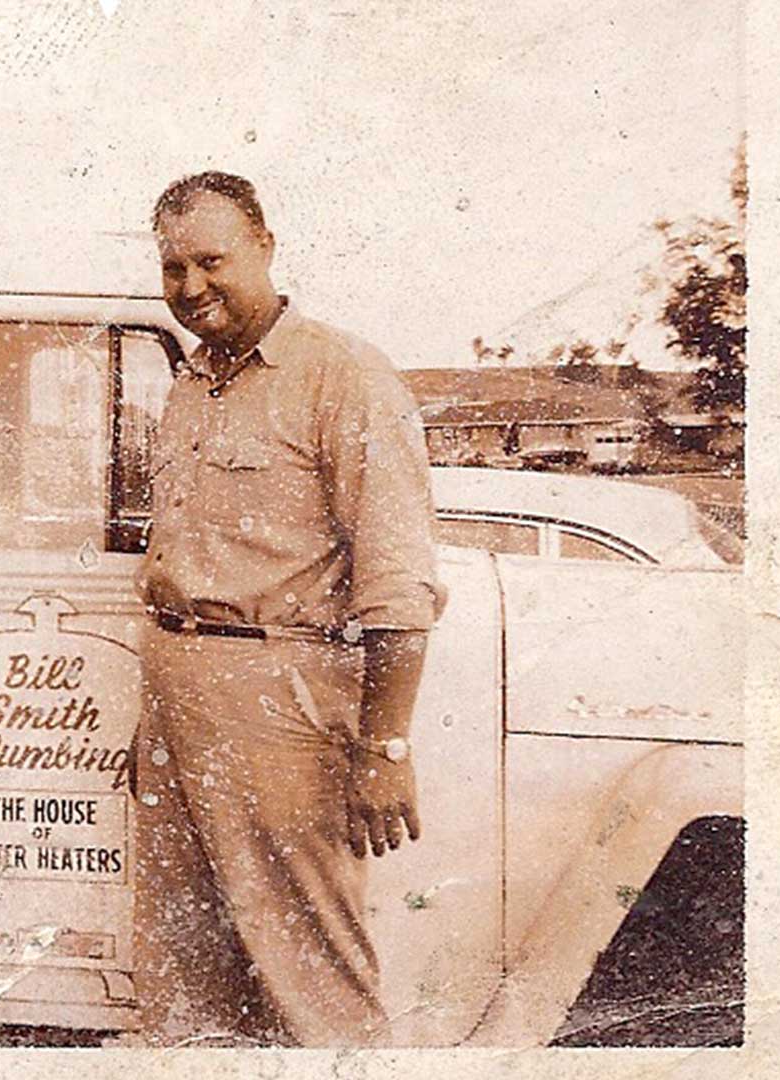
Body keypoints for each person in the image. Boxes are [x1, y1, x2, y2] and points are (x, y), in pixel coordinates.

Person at [131, 172, 446, 1047]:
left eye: (212, 261)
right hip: (178, 705)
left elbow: (397, 580)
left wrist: (385, 747)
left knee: (314, 983)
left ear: (265, 247)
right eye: (173, 268)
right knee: (186, 982)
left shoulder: (342, 374)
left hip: (284, 708)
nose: (192, 286)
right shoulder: (191, 381)